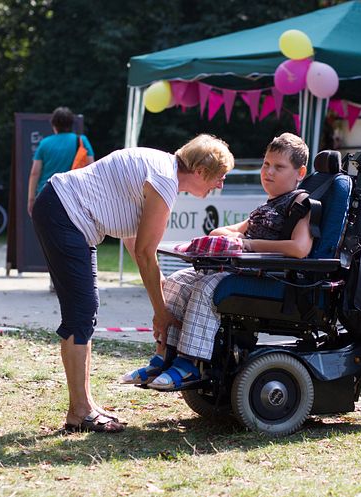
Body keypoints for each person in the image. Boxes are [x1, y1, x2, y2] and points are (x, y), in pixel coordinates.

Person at [31, 134, 234, 433]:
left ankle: (83, 405)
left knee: (85, 313)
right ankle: (80, 412)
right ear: (202, 171)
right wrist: (161, 312)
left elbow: (133, 240)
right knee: (80, 314)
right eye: (220, 177)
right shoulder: (165, 180)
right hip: (64, 214)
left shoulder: (161, 168)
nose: (220, 185)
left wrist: (161, 293)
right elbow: (144, 253)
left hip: (62, 211)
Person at [120, 133, 313, 389]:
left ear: (300, 172)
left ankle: (190, 363)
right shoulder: (266, 206)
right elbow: (235, 230)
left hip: (269, 277)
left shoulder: (300, 203)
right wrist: (224, 234)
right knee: (177, 282)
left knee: (208, 288)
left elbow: (300, 248)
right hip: (239, 269)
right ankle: (164, 356)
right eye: (266, 164)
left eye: (279, 167)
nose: (268, 172)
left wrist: (248, 244)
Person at [27, 106, 94, 216]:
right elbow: (92, 167)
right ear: (71, 124)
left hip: (47, 195)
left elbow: (35, 173)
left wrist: (31, 199)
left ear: (54, 125)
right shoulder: (82, 141)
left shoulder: (44, 143)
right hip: (74, 195)